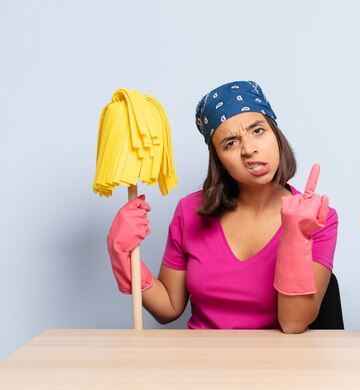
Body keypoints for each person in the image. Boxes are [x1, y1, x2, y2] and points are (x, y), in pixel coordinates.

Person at [106, 81, 338, 333]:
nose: (249, 149)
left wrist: (296, 237)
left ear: (276, 134)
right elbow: (169, 308)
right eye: (230, 143)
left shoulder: (317, 217)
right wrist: (122, 254)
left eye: (258, 131)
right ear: (219, 160)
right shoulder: (189, 212)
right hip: (202, 364)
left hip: (275, 367)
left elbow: (293, 324)